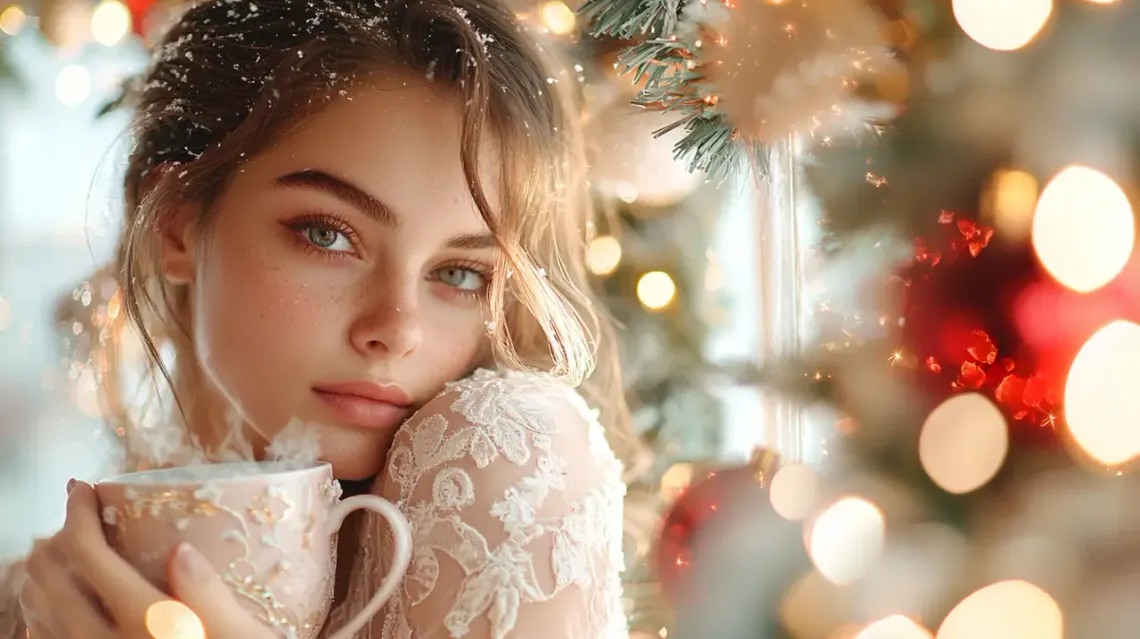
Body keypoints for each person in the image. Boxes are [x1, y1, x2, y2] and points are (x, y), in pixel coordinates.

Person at [0, 0, 648, 636]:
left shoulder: (503, 456)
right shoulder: (59, 592)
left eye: (459, 273)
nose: (397, 329)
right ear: (175, 221)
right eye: (328, 235)